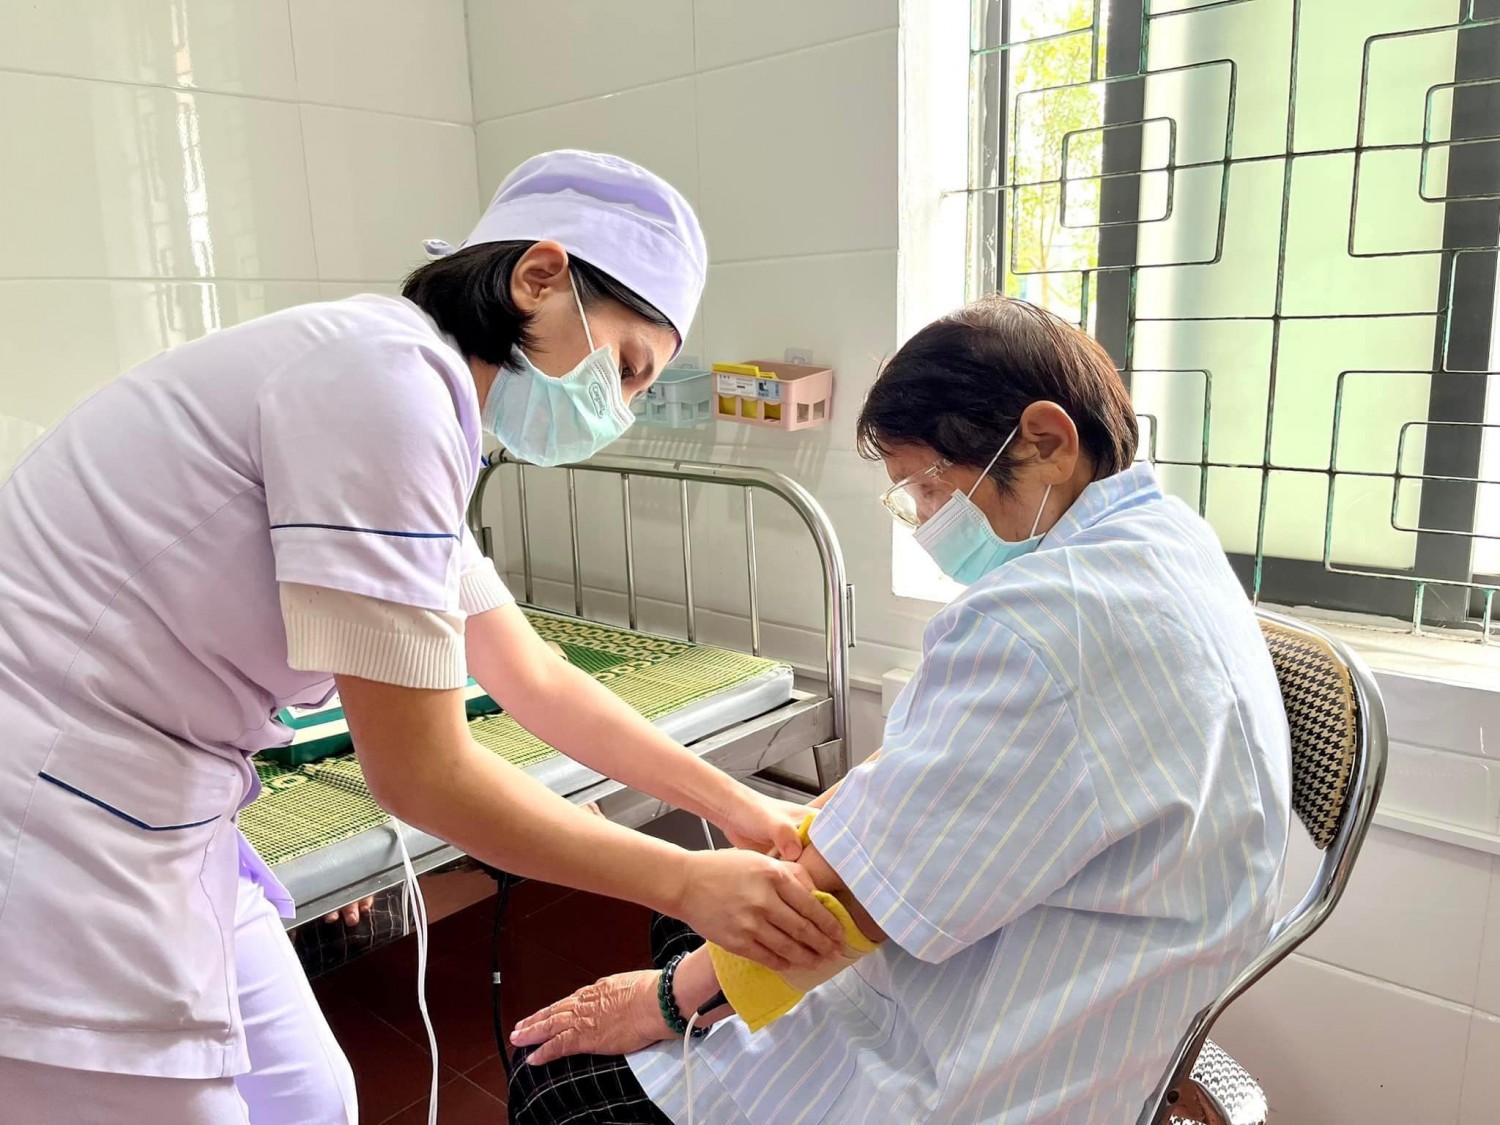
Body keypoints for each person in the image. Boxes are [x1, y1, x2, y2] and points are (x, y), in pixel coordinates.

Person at [0, 150, 841, 1125]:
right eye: (624, 368)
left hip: (159, 802)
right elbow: (421, 773)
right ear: (539, 277)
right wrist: (687, 881)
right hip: (54, 815)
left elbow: (531, 674)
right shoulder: (383, 382)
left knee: (309, 1098)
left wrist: (741, 807)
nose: (620, 409)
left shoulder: (412, 392)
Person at [504, 296, 1293, 1124]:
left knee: (556, 1079)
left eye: (929, 487)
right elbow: (948, 779)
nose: (924, 520)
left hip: (986, 1053)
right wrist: (802, 832)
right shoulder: (1168, 541)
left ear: (1047, 441)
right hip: (1101, 978)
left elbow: (856, 899)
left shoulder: (1042, 623)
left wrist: (666, 999)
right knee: (697, 930)